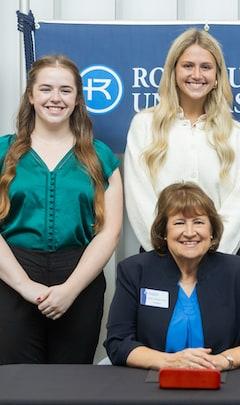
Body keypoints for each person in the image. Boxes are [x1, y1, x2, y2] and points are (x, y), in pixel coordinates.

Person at [0, 55, 123, 364]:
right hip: (12, 276)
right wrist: (25, 285)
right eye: (46, 89)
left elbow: (110, 232)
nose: (55, 98)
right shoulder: (3, 151)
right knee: (16, 382)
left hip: (79, 279)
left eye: (65, 90)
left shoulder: (101, 156)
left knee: (72, 383)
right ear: (31, 95)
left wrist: (71, 289)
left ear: (78, 98)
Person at [105, 182, 240, 370]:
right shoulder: (134, 271)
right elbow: (118, 342)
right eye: (179, 223)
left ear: (212, 231)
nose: (190, 233)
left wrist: (222, 361)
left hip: (221, 381)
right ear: (164, 232)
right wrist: (168, 362)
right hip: (151, 382)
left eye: (198, 222)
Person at [124, 28, 240, 255]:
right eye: (187, 66)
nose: (197, 74)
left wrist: (215, 255)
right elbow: (140, 199)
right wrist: (165, 250)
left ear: (217, 77)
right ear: (173, 72)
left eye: (206, 67)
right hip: (160, 256)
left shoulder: (236, 134)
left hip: (222, 258)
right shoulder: (144, 126)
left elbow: (239, 205)